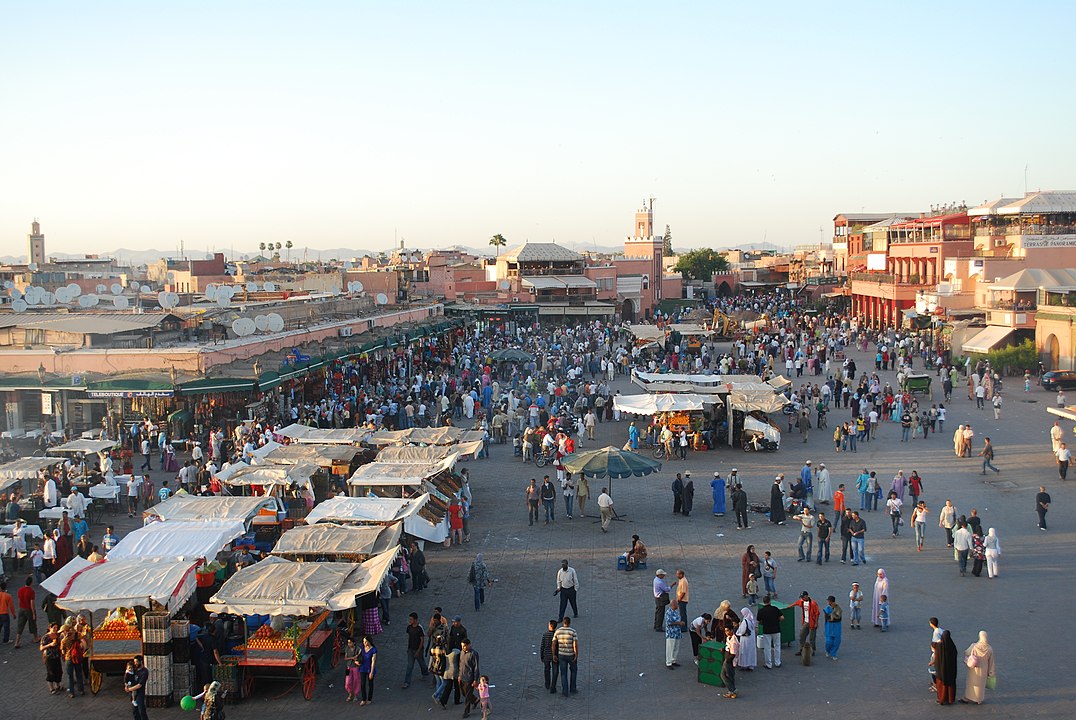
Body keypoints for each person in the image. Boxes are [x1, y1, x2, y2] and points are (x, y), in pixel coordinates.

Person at [961, 631, 996, 705]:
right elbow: (991, 661)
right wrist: (991, 672)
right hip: (984, 669)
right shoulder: (989, 648)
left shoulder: (974, 646)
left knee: (971, 684)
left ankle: (967, 698)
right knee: (981, 685)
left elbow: (967, 652)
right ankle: (979, 700)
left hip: (974, 669)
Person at [551, 617, 578, 697]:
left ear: (563, 622)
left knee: (563, 673)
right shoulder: (573, 631)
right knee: (574, 671)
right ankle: (573, 688)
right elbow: (575, 644)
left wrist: (554, 655)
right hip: (570, 654)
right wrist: (576, 654)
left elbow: (553, 644)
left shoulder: (558, 631)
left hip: (561, 654)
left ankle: (565, 690)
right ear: (569, 623)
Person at [401, 613, 428, 688]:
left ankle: (425, 672)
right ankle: (407, 682)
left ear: (415, 620)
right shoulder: (409, 627)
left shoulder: (419, 628)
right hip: (410, 649)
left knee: (421, 663)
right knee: (409, 666)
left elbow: (422, 640)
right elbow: (409, 638)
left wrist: (418, 651)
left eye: (411, 619)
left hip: (418, 650)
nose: (410, 621)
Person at [756, 595, 783, 669]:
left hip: (766, 630)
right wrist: (777, 621)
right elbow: (782, 617)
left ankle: (768, 664)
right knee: (777, 646)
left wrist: (763, 623)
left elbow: (759, 621)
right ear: (770, 601)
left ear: (764, 602)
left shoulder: (761, 611)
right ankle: (778, 662)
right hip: (776, 629)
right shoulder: (775, 609)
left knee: (767, 648)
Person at [791, 590, 820, 656]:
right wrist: (788, 607)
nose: (802, 598)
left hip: (812, 622)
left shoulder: (813, 603)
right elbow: (796, 603)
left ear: (806, 596)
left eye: (803, 597)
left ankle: (812, 650)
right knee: (802, 635)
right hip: (806, 622)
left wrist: (816, 623)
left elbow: (817, 613)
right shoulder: (802, 601)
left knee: (812, 638)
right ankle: (802, 649)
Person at [934, 630, 959, 705]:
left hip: (941, 671)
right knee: (950, 685)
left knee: (941, 685)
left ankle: (941, 698)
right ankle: (950, 699)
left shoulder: (939, 646)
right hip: (950, 670)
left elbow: (937, 658)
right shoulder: (952, 646)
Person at [459, 638, 481, 717]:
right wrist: (459, 675)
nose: (463, 648)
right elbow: (461, 664)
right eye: (462, 646)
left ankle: (466, 711)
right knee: (464, 693)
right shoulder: (462, 652)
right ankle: (475, 700)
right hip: (462, 677)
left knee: (467, 695)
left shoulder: (473, 654)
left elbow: (476, 668)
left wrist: (475, 680)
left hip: (469, 678)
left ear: (469, 645)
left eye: (464, 646)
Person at [14, 576, 37, 649]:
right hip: (28, 609)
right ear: (31, 583)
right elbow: (32, 603)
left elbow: (19, 600)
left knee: (20, 625)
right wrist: (33, 613)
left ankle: (17, 642)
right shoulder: (31, 591)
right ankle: (35, 637)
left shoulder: (20, 590)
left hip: (21, 608)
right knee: (32, 623)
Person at [40, 623, 63, 695]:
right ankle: (51, 688)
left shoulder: (57, 636)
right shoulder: (46, 637)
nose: (56, 629)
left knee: (59, 671)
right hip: (49, 657)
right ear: (50, 628)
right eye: (54, 628)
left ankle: (58, 685)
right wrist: (49, 645)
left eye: (56, 628)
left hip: (57, 656)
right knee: (50, 673)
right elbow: (41, 648)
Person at [126, 654, 150, 720]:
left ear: (141, 661)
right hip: (133, 693)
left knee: (141, 710)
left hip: (140, 693)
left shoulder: (144, 672)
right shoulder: (134, 669)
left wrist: (129, 689)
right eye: (134, 662)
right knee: (135, 711)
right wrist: (126, 685)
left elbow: (140, 685)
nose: (135, 663)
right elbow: (128, 676)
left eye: (136, 662)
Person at [663, 597, 685, 669]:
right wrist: (679, 623)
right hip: (671, 633)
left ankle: (673, 660)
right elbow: (669, 623)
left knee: (676, 647)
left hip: (677, 633)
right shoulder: (668, 613)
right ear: (672, 605)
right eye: (676, 605)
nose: (677, 606)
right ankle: (668, 662)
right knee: (670, 648)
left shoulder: (675, 611)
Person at [539, 619, 559, 693]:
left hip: (546, 655)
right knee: (555, 670)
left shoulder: (545, 634)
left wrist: (542, 656)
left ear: (550, 626)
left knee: (547, 669)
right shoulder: (557, 635)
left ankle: (547, 683)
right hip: (555, 655)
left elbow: (542, 646)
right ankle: (553, 686)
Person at [357, 635, 377, 706]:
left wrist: (371, 672)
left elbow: (373, 661)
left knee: (370, 684)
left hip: (369, 669)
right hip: (362, 668)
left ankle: (369, 698)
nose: (364, 643)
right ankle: (363, 698)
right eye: (363, 642)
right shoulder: (362, 648)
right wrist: (357, 661)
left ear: (369, 642)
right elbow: (358, 656)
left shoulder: (373, 650)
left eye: (365, 642)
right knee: (362, 684)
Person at [720, 625, 739, 699]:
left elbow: (733, 654)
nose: (726, 632)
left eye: (727, 631)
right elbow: (728, 646)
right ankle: (732, 691)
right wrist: (724, 649)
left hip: (729, 661)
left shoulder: (734, 641)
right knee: (728, 676)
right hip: (727, 659)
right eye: (725, 631)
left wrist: (727, 661)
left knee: (725, 676)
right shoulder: (729, 638)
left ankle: (733, 690)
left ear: (731, 630)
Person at [822, 595, 842, 660]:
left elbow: (839, 618)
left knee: (837, 642)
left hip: (837, 628)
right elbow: (827, 618)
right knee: (828, 641)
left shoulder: (838, 608)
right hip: (829, 628)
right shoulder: (826, 609)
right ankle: (828, 650)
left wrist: (833, 618)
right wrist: (834, 617)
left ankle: (833, 653)